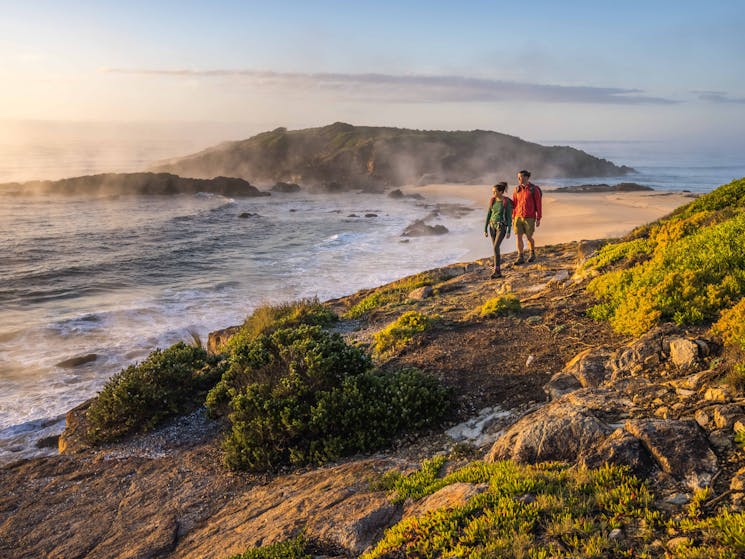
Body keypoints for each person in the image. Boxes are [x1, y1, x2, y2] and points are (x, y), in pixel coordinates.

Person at [512, 169, 542, 264]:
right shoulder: (517, 189)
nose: (519, 179)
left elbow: (538, 204)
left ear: (526, 177)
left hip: (530, 217)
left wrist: (538, 218)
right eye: (518, 177)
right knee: (518, 237)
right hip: (518, 216)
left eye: (521, 177)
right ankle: (520, 256)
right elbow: (514, 205)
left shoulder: (534, 189)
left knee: (529, 237)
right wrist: (513, 217)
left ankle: (532, 253)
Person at [484, 181, 513, 278]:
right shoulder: (492, 200)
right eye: (493, 192)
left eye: (495, 191)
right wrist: (485, 229)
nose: (493, 193)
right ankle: (498, 270)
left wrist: (509, 230)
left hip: (502, 227)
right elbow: (489, 214)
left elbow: (509, 217)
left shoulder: (506, 202)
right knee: (496, 249)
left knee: (496, 247)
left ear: (501, 192)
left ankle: (497, 271)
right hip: (492, 227)